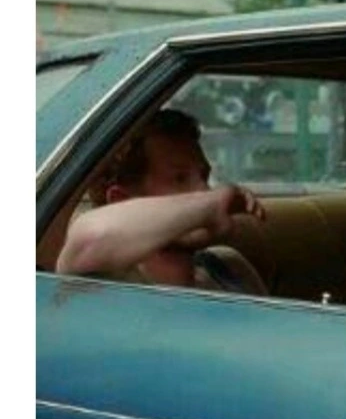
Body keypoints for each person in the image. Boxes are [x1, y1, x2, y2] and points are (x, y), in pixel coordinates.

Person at [57, 109, 268, 294]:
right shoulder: (99, 284)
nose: (204, 191)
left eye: (204, 176)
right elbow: (90, 236)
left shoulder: (228, 267)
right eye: (180, 179)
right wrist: (210, 206)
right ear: (121, 201)